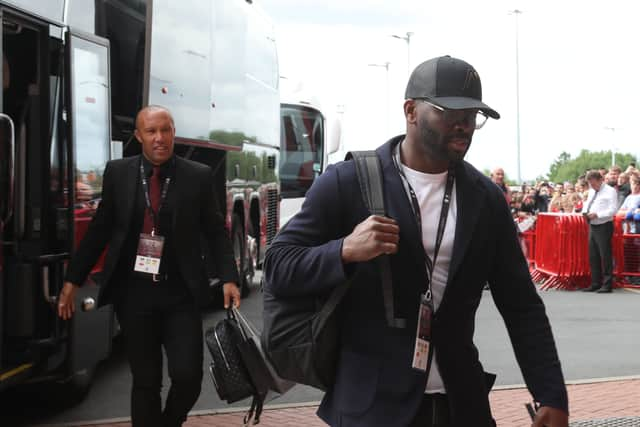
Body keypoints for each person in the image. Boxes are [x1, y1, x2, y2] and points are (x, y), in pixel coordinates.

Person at [264, 56, 568, 427]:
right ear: (410, 110)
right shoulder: (347, 182)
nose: (464, 125)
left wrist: (550, 392)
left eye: (472, 115)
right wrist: (344, 251)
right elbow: (278, 267)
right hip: (371, 407)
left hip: (462, 404)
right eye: (449, 112)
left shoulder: (485, 199)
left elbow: (521, 304)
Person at [57, 105, 241, 427]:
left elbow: (214, 231)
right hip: (135, 295)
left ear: (173, 133)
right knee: (146, 380)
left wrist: (229, 277)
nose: (160, 138)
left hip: (180, 294)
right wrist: (72, 280)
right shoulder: (119, 173)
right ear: (138, 135)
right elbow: (99, 232)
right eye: (152, 131)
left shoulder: (197, 176)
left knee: (187, 377)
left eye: (166, 130)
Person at [582, 170, 618, 293]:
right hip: (593, 224)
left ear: (600, 180)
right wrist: (584, 212)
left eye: (593, 184)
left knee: (605, 255)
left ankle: (607, 284)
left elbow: (613, 210)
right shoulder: (592, 190)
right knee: (593, 256)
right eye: (590, 184)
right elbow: (588, 203)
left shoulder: (610, 191)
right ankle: (595, 283)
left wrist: (598, 214)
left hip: (604, 225)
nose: (592, 186)